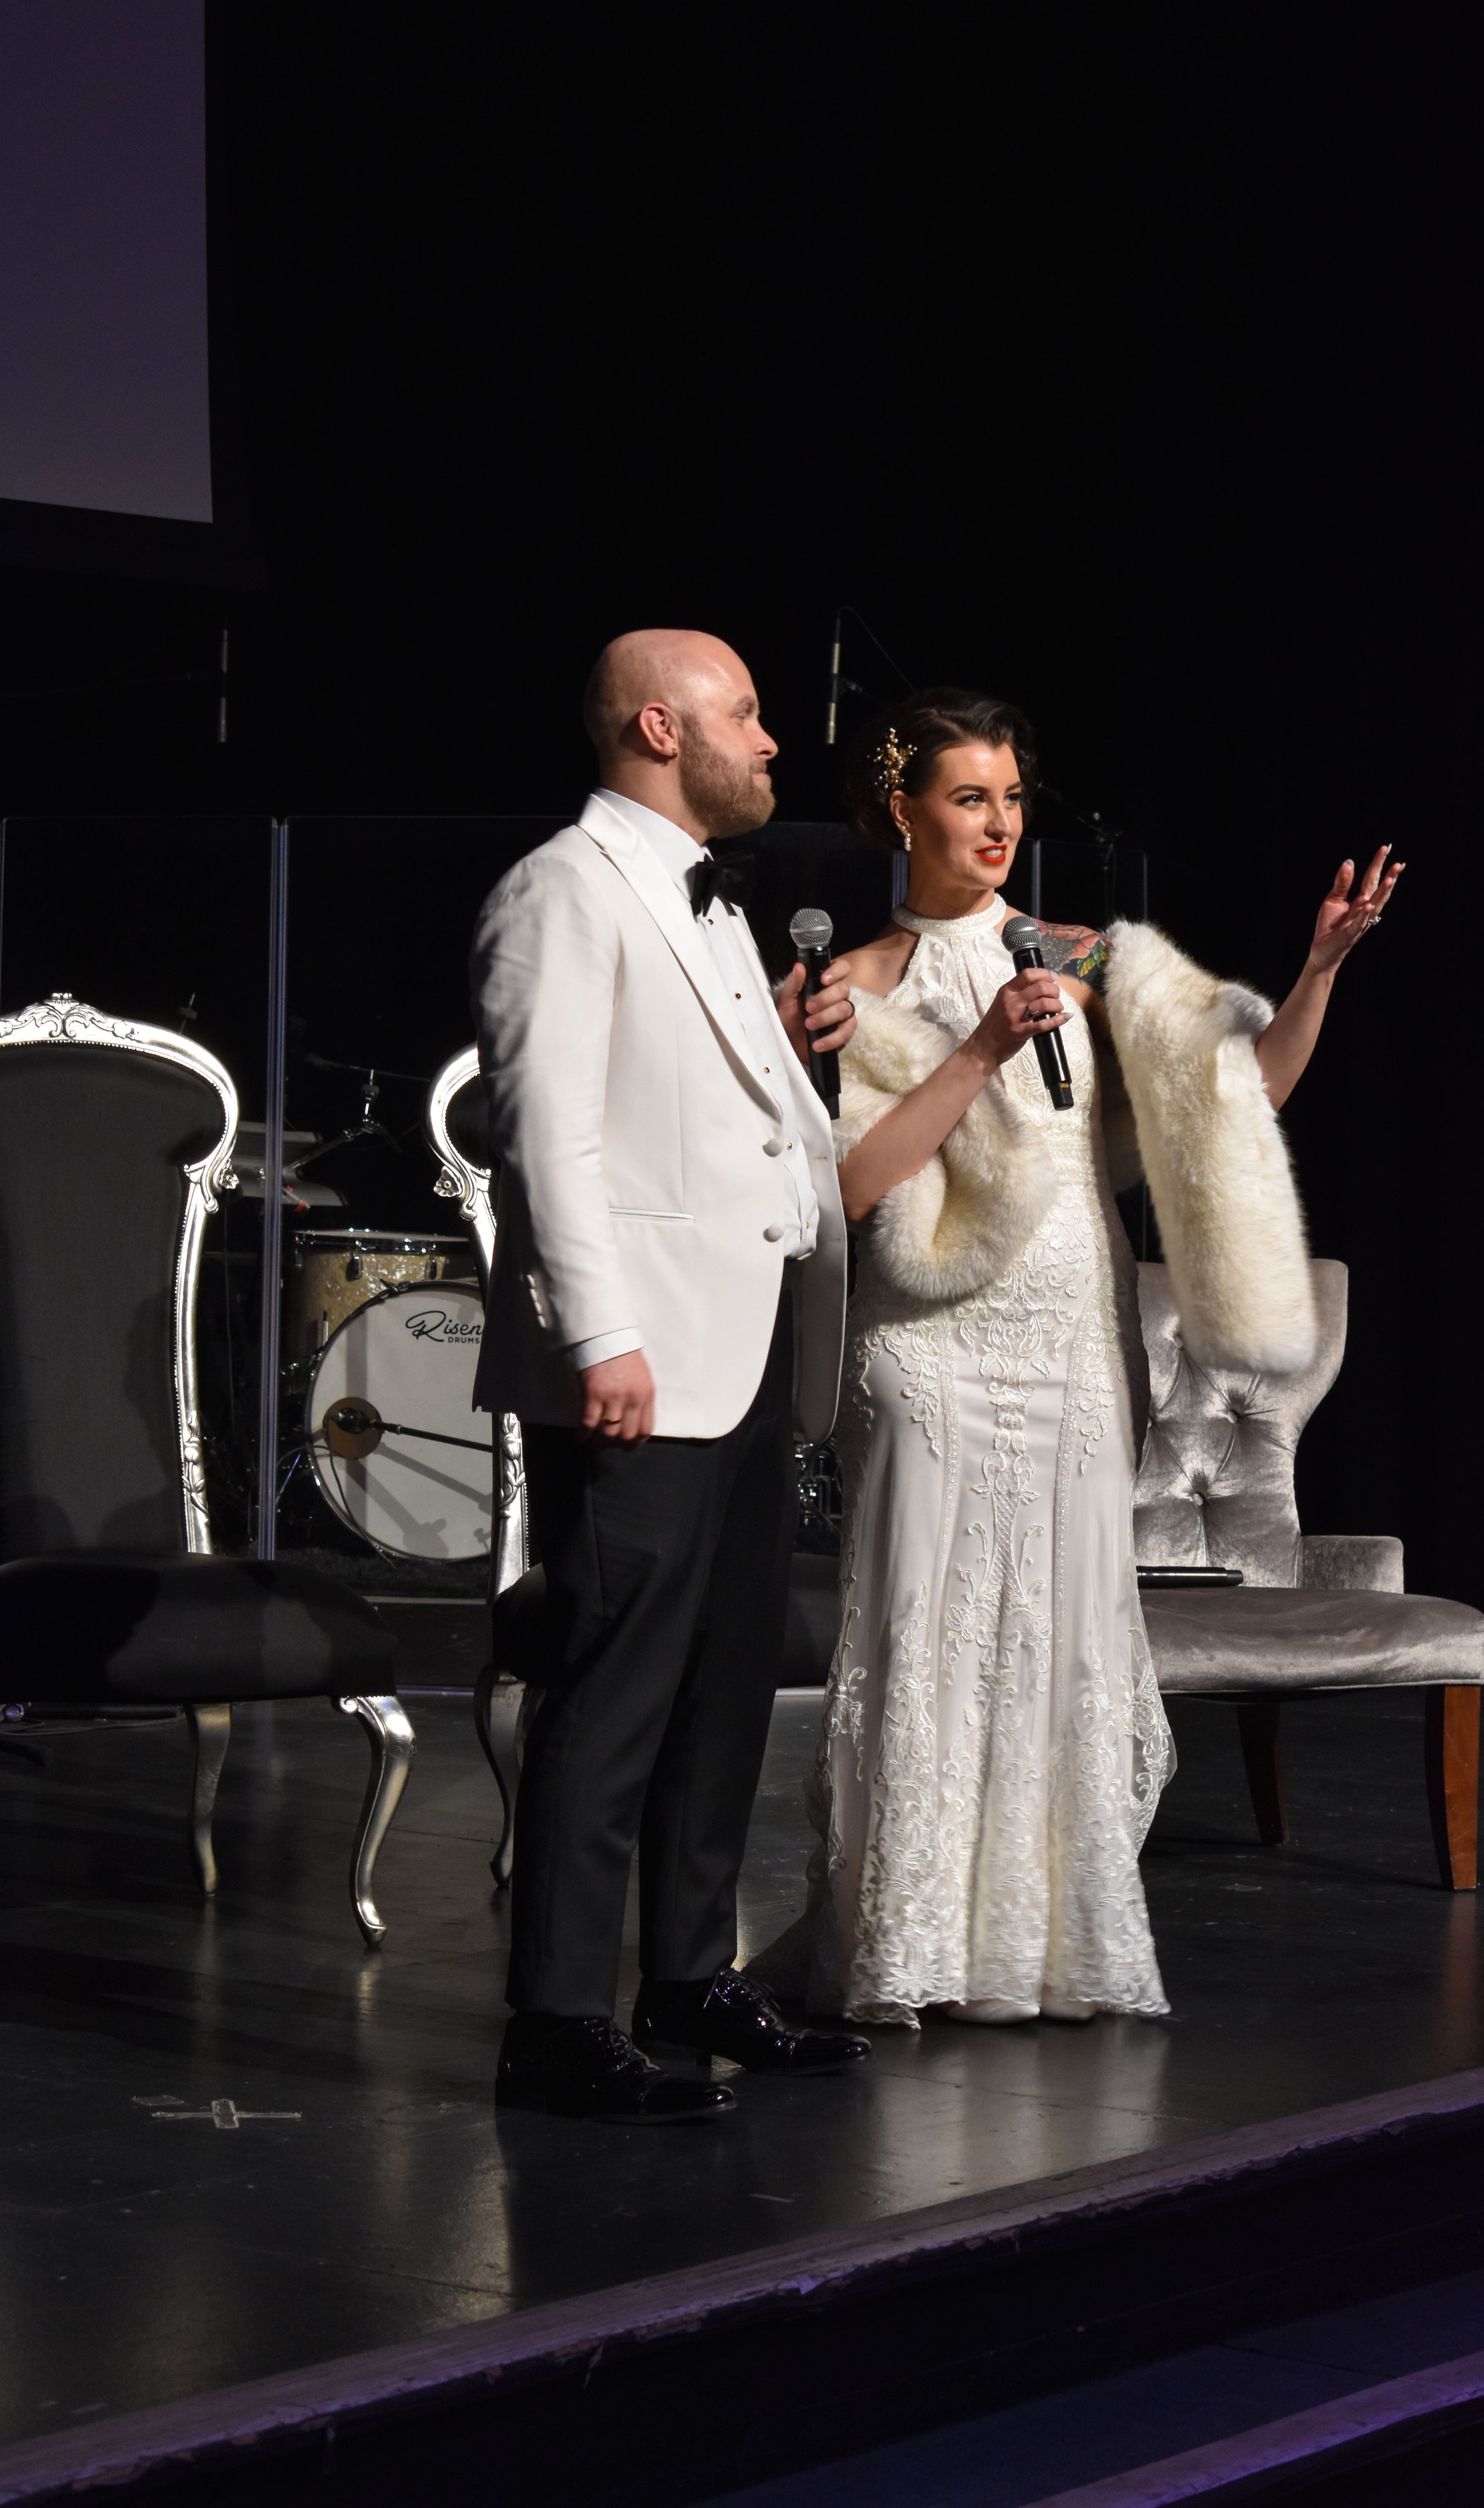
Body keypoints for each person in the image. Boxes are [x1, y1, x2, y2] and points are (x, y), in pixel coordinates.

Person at [752, 689, 1400, 2027]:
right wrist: (983, 1043)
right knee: (924, 1626)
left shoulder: (1090, 961)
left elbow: (1243, 1099)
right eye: (965, 797)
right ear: (901, 811)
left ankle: (1049, 1948)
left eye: (1009, 797)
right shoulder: (848, 986)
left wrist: (1321, 968)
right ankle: (902, 1946)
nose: (994, 824)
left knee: (1055, 1634)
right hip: (925, 1345)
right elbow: (856, 1187)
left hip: (1068, 1333)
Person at [471, 629, 871, 2121]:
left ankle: (687, 1975)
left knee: (719, 1676)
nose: (771, 742)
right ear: (657, 726)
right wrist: (597, 1335)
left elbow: (688, 1106)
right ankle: (556, 2018)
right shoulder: (559, 891)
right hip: (637, 1351)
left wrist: (774, 1039)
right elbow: (549, 1132)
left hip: (741, 1335)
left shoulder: (698, 897)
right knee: (615, 1679)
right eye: (745, 716)